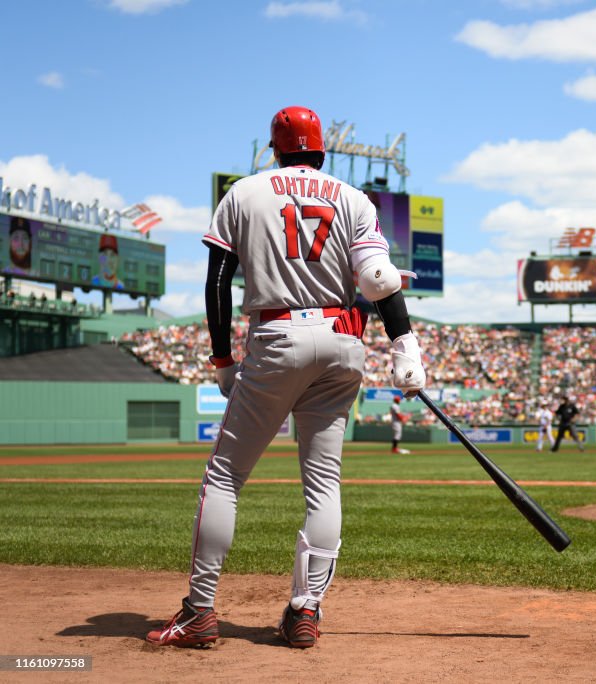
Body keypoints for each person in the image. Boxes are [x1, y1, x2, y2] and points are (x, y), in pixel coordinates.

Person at [146, 106, 425, 650]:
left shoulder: (245, 191)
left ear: (275, 149)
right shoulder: (355, 198)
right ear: (321, 151)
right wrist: (405, 345)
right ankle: (305, 612)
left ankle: (199, 611)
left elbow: (218, 281)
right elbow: (377, 277)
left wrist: (223, 359)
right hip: (345, 343)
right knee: (324, 484)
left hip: (278, 336)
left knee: (225, 477)